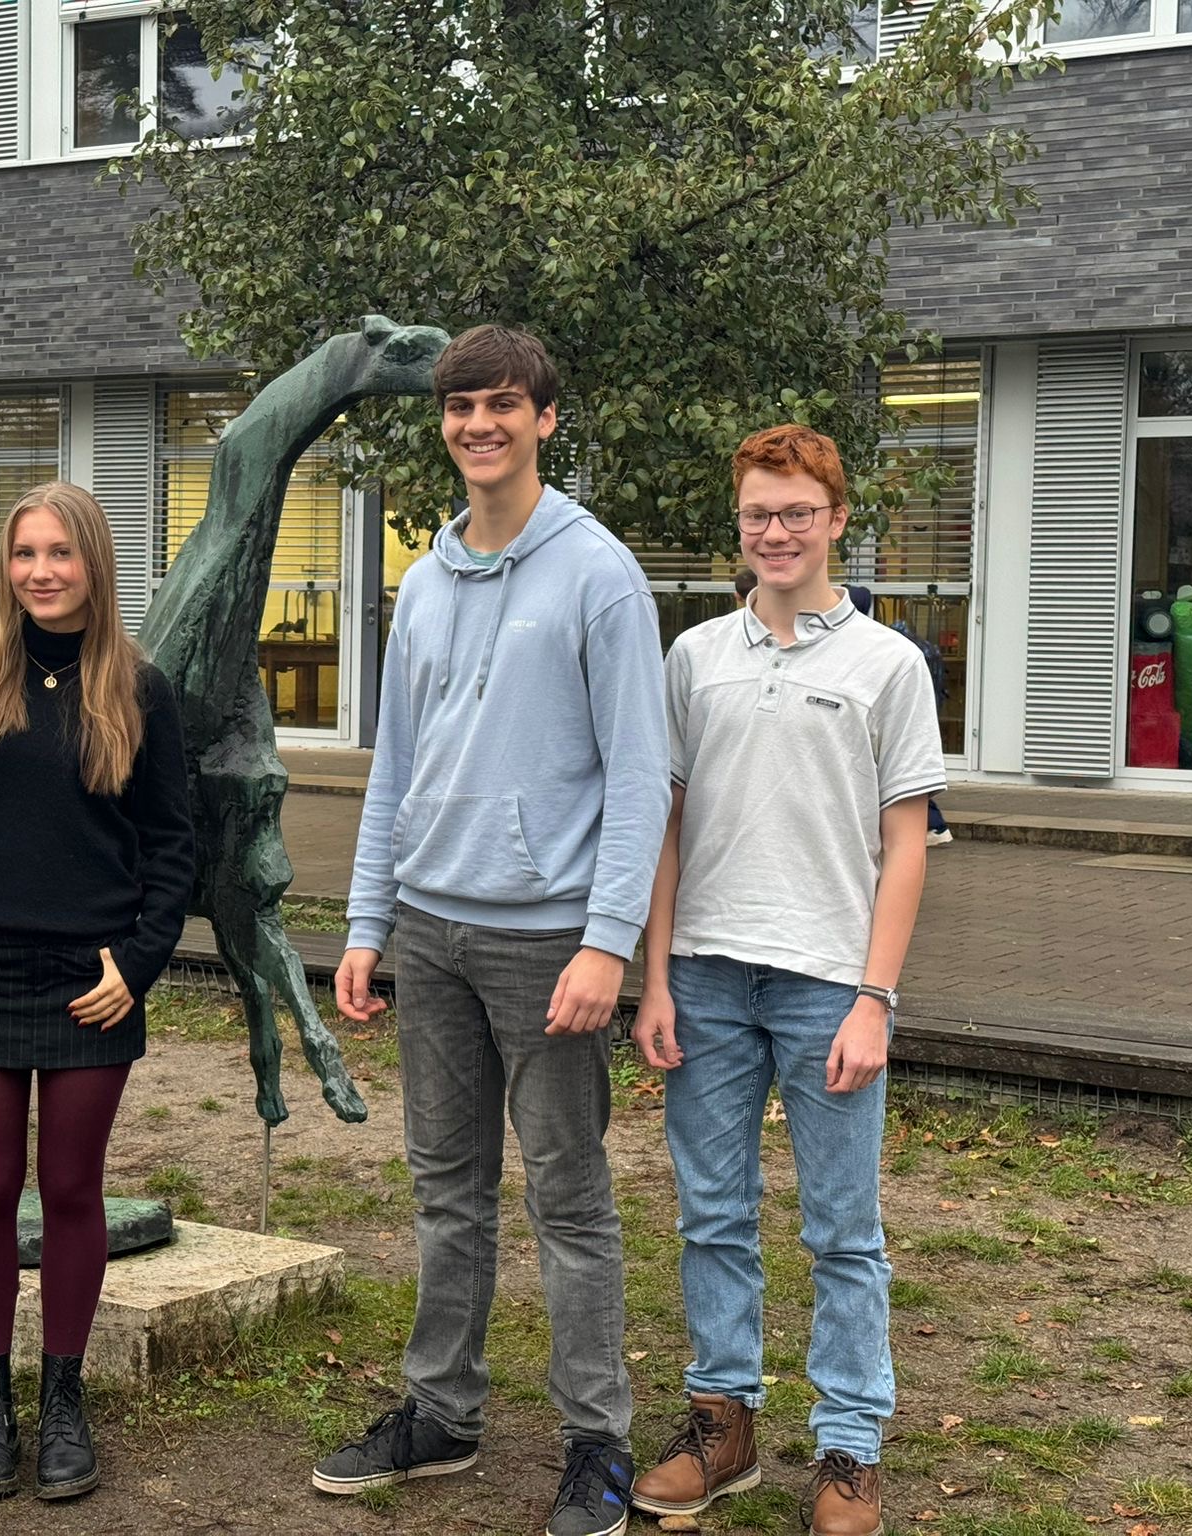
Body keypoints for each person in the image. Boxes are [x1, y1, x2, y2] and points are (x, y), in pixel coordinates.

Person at [315, 325, 669, 1536]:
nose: (479, 424)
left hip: (546, 946)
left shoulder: (598, 576)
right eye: (460, 406)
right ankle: (441, 1414)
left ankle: (596, 1442)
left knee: (567, 1198)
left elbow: (639, 775)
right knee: (445, 1191)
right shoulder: (421, 583)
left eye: (502, 404)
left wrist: (605, 942)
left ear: (543, 420)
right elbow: (394, 769)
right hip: (429, 930)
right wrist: (366, 922)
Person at [630, 426, 945, 1536]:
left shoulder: (888, 665)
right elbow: (664, 825)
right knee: (710, 1215)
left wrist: (874, 999)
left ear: (837, 520)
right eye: (758, 513)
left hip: (828, 985)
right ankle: (722, 1425)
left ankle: (850, 1449)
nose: (776, 532)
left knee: (842, 1230)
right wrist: (654, 978)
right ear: (740, 522)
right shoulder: (693, 656)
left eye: (796, 512)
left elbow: (905, 843)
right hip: (705, 978)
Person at [0, 481, 195, 1504]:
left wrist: (139, 961)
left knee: (72, 1190)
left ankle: (63, 1397)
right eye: (24, 553)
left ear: (93, 564)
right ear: (6, 566)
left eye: (60, 553)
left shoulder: (140, 688)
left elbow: (173, 844)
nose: (41, 572)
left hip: (90, 982)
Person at [847, 585, 952, 847]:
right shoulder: (912, 645)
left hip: (903, 709)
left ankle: (935, 825)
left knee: (903, 775)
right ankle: (935, 825)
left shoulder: (886, 648)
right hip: (924, 705)